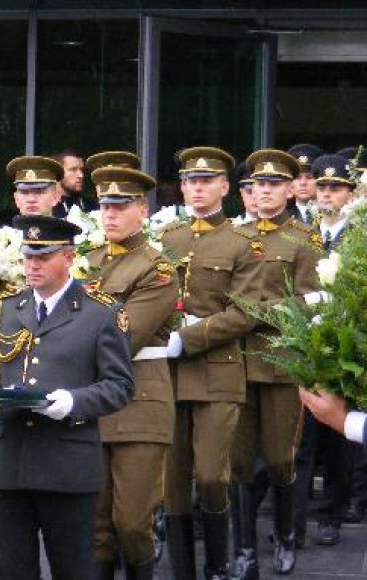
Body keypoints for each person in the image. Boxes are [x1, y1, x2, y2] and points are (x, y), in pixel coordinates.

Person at [0, 215, 134, 580]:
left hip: (67, 464)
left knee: (72, 569)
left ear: (67, 257)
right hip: (11, 462)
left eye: (43, 257)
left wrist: (73, 401)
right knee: (11, 570)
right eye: (28, 256)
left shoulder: (101, 312)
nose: (32, 265)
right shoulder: (3, 310)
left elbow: (119, 385)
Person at [160, 146, 264, 580]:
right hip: (168, 375)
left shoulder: (244, 243)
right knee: (173, 484)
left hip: (218, 372)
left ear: (225, 187)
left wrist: (188, 337)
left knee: (211, 476)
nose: (196, 188)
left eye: (206, 181)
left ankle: (219, 564)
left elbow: (248, 311)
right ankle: (185, 571)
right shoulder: (167, 239)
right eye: (189, 181)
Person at [229, 149, 321, 577]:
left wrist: (258, 311)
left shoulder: (304, 239)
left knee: (282, 457)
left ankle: (286, 535)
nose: (263, 192)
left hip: (281, 361)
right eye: (257, 185)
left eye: (272, 185)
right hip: (235, 362)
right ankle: (244, 546)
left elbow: (310, 300)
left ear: (288, 189)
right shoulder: (233, 236)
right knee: (240, 460)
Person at [84, 163, 177, 580]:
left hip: (138, 403)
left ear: (142, 210)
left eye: (121, 207)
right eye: (105, 206)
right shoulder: (85, 263)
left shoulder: (156, 269)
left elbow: (124, 336)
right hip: (90, 405)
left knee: (133, 522)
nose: (111, 215)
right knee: (95, 525)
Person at [293, 153, 360, 548]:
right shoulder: (302, 232)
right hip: (305, 341)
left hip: (344, 342)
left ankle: (332, 514)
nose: (327, 194)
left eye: (335, 187)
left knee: (339, 437)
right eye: (322, 187)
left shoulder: (360, 233)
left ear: (350, 193)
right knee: (301, 438)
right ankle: (294, 521)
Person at [51, 149, 97, 218]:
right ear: (57, 172)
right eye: (73, 170)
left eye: (81, 170)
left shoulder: (93, 208)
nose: (81, 175)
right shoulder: (47, 208)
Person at [286, 144, 323, 225]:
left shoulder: (331, 214)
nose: (303, 183)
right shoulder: (281, 216)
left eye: (309, 177)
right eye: (297, 178)